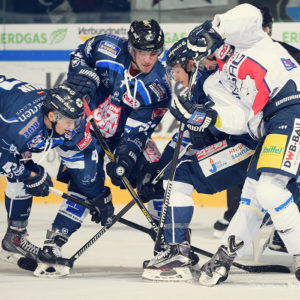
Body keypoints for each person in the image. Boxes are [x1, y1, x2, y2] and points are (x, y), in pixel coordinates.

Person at [32, 19, 171, 277]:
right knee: (86, 181)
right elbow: (78, 55)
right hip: (85, 125)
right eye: (142, 52)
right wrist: (84, 75)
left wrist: (126, 158)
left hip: (122, 135)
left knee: (151, 175)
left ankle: (169, 240)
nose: (148, 59)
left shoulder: (158, 85)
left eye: (154, 53)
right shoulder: (106, 46)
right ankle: (55, 242)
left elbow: (140, 129)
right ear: (131, 47)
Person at [183, 3, 300, 285]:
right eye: (198, 59)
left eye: (203, 53)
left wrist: (217, 26)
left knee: (271, 191)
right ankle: (225, 256)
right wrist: (213, 118)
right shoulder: (215, 81)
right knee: (251, 197)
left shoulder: (244, 39)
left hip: (292, 107)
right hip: (270, 124)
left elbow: (250, 13)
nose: (203, 61)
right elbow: (240, 119)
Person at [141, 37, 258, 281]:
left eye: (174, 70)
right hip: (246, 143)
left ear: (189, 64)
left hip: (249, 145)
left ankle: (177, 252)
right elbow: (196, 136)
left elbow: (237, 123)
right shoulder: (201, 81)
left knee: (182, 173)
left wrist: (200, 120)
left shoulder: (212, 81)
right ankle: (177, 245)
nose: (173, 77)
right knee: (176, 171)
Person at [213, 5, 300, 239]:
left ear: (267, 29)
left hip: (285, 123)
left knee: (279, 180)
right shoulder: (233, 57)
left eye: (263, 28)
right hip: (257, 126)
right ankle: (235, 214)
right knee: (241, 156)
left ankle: (284, 232)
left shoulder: (283, 52)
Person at [0, 76, 88, 265]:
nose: (72, 127)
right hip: (9, 122)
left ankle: (15, 238)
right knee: (22, 174)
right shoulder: (20, 127)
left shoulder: (53, 107)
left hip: (8, 114)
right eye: (68, 122)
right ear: (52, 116)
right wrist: (29, 174)